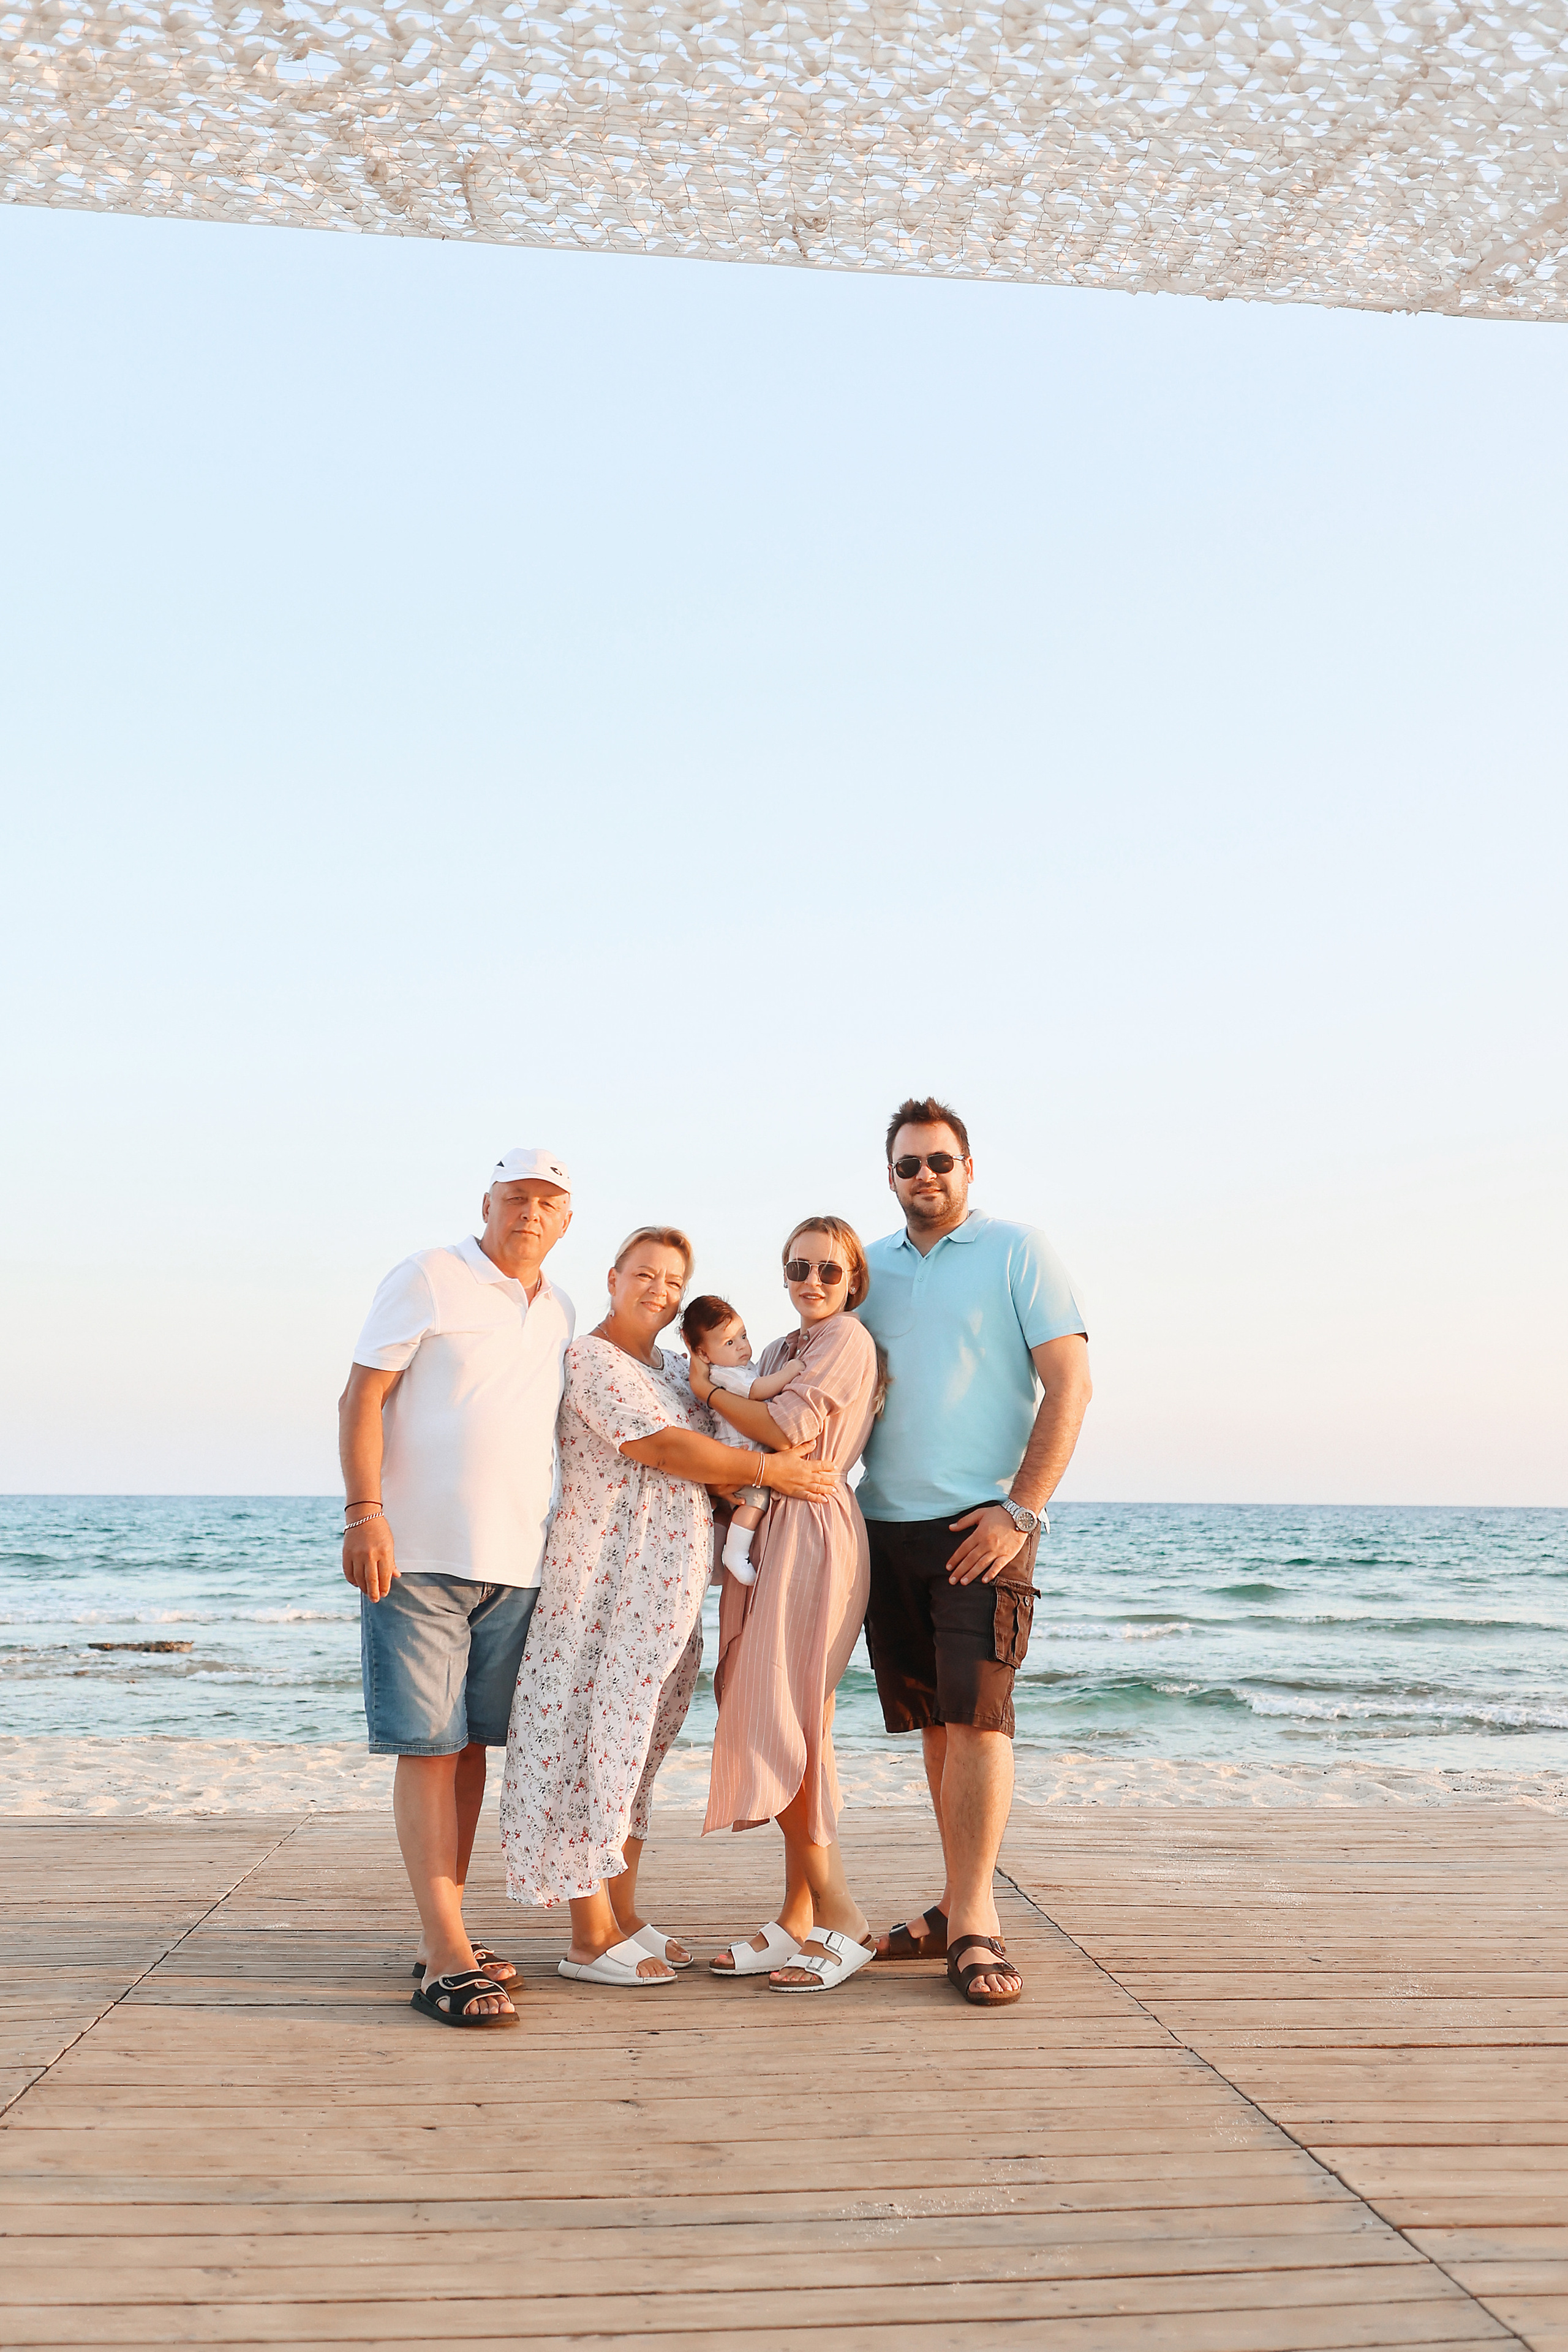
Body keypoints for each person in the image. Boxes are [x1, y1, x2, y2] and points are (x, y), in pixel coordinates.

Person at [499, 1228, 837, 1986]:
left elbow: (710, 1450)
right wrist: (769, 1470)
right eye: (644, 1274)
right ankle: (587, 1937)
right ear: (613, 1278)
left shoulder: (677, 1373)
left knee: (638, 1757)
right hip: (604, 1587)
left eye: (672, 1279)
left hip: (671, 1591)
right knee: (592, 1746)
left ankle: (620, 1912)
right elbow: (662, 1449)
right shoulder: (591, 1359)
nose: (658, 1288)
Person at [857, 1097, 1092, 2010]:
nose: (927, 1178)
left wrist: (1022, 1511)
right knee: (938, 1725)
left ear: (968, 1168)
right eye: (910, 1165)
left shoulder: (1018, 1252)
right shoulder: (866, 1269)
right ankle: (956, 1908)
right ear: (891, 1177)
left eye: (941, 1162)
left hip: (984, 1529)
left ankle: (978, 1922)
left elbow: (1070, 1384)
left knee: (983, 1717)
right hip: (884, 1531)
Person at [340, 1147, 575, 2032]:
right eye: (516, 1197)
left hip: (519, 1563)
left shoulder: (561, 1309)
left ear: (565, 1221)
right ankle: (443, 1958)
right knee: (428, 1748)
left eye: (547, 1203)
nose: (529, 1213)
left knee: (473, 1747)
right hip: (420, 1556)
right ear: (488, 1201)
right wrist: (366, 1512)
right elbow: (362, 1397)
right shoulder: (430, 1274)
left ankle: (452, 1933)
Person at [692, 1218, 882, 1996]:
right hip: (770, 1528)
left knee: (791, 1715)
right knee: (767, 1705)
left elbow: (788, 1429)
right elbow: (758, 1441)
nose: (812, 1281)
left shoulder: (846, 1341)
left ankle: (846, 1917)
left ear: (851, 1280)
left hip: (814, 1533)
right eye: (798, 1268)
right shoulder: (776, 1352)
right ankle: (798, 1916)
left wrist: (710, 1391)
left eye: (828, 1271)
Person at [679, 1295, 799, 1585]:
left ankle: (715, 1563)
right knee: (755, 1501)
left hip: (729, 1455)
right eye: (729, 1343)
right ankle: (736, 1554)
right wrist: (790, 1372)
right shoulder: (726, 1375)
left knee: (723, 1511)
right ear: (703, 1355)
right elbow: (758, 1391)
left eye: (743, 1335)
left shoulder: (735, 1369)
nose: (743, 1346)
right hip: (741, 1454)